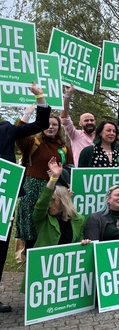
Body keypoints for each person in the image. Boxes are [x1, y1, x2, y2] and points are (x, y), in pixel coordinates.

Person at [0, 84, 50, 313]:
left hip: (4, 199)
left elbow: (40, 124)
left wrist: (39, 96)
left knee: (0, 249)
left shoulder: (7, 129)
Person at [21, 157, 85, 293]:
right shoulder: (43, 219)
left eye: (53, 200)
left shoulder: (78, 219)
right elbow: (42, 202)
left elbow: (79, 243)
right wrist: (53, 179)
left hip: (67, 276)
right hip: (44, 277)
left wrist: (84, 243)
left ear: (63, 201)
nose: (49, 204)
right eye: (48, 201)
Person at [15, 114, 75, 251]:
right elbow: (19, 136)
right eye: (47, 124)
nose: (51, 127)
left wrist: (62, 179)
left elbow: (71, 169)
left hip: (54, 192)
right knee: (32, 229)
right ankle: (30, 260)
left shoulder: (64, 148)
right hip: (32, 191)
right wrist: (25, 116)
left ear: (58, 128)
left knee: (51, 227)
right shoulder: (33, 142)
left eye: (54, 124)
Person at [60, 84, 96, 165]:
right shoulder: (76, 135)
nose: (89, 122)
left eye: (92, 120)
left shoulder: (101, 137)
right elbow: (64, 117)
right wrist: (67, 95)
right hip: (81, 174)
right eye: (86, 120)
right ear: (80, 123)